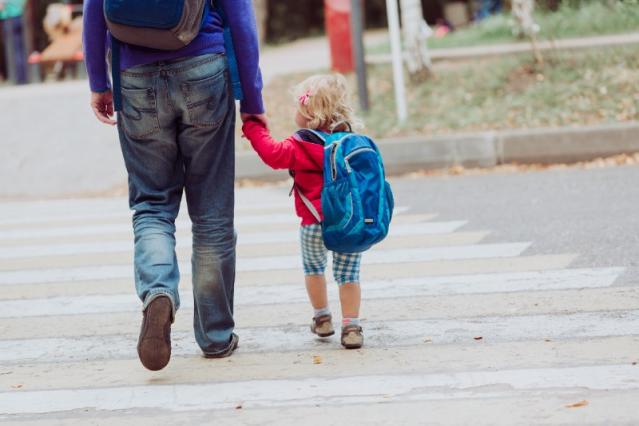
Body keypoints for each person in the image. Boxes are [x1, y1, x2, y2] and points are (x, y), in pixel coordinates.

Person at [83, 0, 265, 371]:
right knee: (212, 212)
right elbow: (240, 17)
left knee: (151, 205)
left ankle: (158, 291)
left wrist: (99, 83)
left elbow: (92, 11)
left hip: (135, 74)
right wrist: (252, 97)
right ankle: (215, 336)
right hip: (204, 67)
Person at [242, 74, 365, 349]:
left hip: (313, 223)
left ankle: (322, 318)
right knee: (348, 275)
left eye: (299, 107)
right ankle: (352, 326)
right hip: (348, 223)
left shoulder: (302, 144)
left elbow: (273, 154)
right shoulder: (351, 143)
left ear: (310, 114)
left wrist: (253, 128)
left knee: (314, 268)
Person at [0, 0, 28, 84]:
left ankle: (17, 77)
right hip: (19, 16)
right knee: (20, 48)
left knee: (12, 49)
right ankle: (23, 76)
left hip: (8, 17)